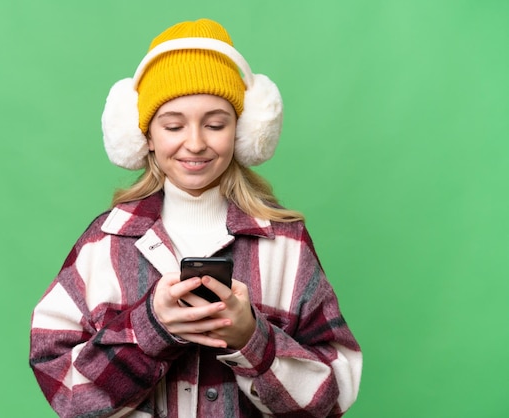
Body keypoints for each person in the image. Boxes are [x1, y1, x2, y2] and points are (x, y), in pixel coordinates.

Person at [29, 18, 362, 418]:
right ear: (146, 136)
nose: (196, 142)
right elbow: (67, 394)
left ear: (242, 132)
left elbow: (332, 399)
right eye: (173, 125)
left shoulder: (286, 245)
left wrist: (251, 339)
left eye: (215, 124)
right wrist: (152, 327)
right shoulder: (104, 243)